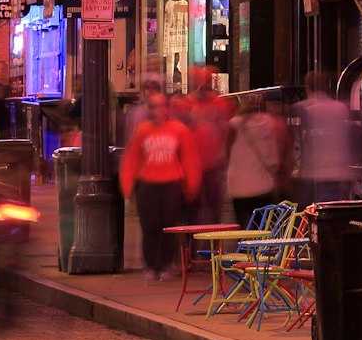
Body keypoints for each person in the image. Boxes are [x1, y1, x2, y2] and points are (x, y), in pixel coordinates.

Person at [118, 88, 201, 281]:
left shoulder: (179, 129)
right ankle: (151, 265)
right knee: (149, 227)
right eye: (155, 107)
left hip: (171, 183)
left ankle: (166, 264)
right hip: (148, 184)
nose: (160, 110)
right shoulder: (143, 130)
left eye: (163, 106)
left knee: (168, 227)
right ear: (150, 109)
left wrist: (191, 185)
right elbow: (132, 158)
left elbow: (189, 159)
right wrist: (128, 185)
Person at [176, 66, 234, 224]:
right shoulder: (186, 104)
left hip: (214, 166)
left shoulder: (219, 103)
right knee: (193, 211)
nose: (205, 85)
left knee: (214, 210)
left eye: (208, 81)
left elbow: (226, 132)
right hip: (193, 166)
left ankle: (213, 244)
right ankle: (195, 245)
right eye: (202, 81)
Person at [292, 72, 361, 205]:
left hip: (312, 176)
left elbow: (298, 144)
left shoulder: (302, 108)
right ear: (327, 87)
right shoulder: (341, 108)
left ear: (308, 88)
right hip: (337, 174)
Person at [227, 94, 292, 224]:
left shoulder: (234, 123)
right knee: (262, 228)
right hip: (263, 187)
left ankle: (244, 243)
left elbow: (226, 151)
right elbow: (275, 159)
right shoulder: (269, 123)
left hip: (238, 188)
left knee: (244, 228)